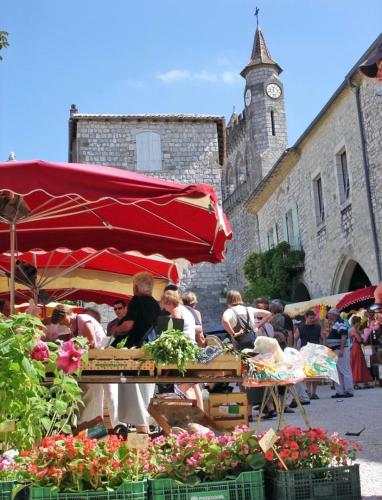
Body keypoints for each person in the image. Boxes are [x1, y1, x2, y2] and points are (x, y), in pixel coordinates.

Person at [51, 304, 122, 427]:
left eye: (63, 321)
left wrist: (76, 348)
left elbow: (92, 342)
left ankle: (119, 427)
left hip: (104, 360)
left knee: (111, 394)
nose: (64, 324)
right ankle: (97, 431)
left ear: (66, 314)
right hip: (93, 364)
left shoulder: (83, 319)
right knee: (95, 397)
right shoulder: (73, 326)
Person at [110, 272, 161, 434]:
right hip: (151, 348)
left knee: (132, 387)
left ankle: (142, 429)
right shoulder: (155, 303)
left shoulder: (136, 301)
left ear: (136, 287)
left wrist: (115, 329)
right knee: (145, 389)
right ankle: (143, 427)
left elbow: (128, 325)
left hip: (135, 350)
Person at [160, 289, 203, 409]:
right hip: (192, 348)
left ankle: (190, 414)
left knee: (182, 386)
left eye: (165, 306)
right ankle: (201, 413)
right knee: (193, 384)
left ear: (169, 302)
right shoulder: (186, 310)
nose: (165, 309)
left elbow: (176, 333)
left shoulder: (176, 311)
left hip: (183, 351)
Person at [325, 308, 354, 398]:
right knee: (338, 372)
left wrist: (341, 349)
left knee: (344, 370)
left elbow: (344, 336)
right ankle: (340, 391)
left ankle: (348, 390)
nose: (328, 316)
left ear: (333, 315)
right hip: (335, 350)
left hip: (339, 350)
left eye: (329, 314)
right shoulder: (336, 324)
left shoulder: (340, 323)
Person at [294, 310, 323, 399]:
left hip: (316, 351)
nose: (312, 319)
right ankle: (308, 391)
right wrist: (295, 349)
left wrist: (323, 348)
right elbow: (295, 338)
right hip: (305, 351)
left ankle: (314, 392)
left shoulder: (318, 327)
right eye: (310, 318)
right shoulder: (301, 327)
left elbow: (322, 337)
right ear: (306, 317)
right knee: (307, 373)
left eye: (313, 318)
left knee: (316, 373)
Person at [349, 315, 373, 389]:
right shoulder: (354, 330)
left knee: (358, 364)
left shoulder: (351, 329)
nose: (359, 324)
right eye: (358, 322)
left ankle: (361, 382)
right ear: (356, 322)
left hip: (354, 348)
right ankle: (357, 382)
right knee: (358, 364)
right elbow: (359, 340)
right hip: (356, 348)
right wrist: (363, 338)